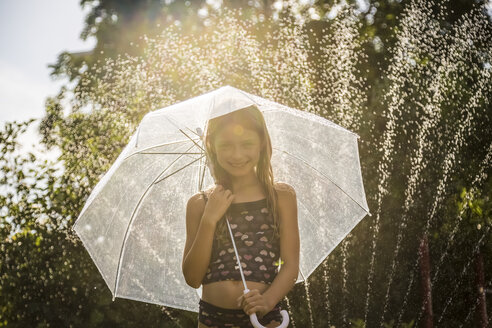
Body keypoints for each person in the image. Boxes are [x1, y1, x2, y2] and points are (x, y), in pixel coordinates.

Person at [182, 104, 300, 328]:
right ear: (211, 146)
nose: (237, 155)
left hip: (264, 316)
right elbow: (193, 277)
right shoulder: (199, 204)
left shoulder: (281, 197)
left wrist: (267, 300)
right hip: (212, 318)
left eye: (246, 144)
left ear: (262, 143)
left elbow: (290, 265)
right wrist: (209, 219)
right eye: (226, 145)